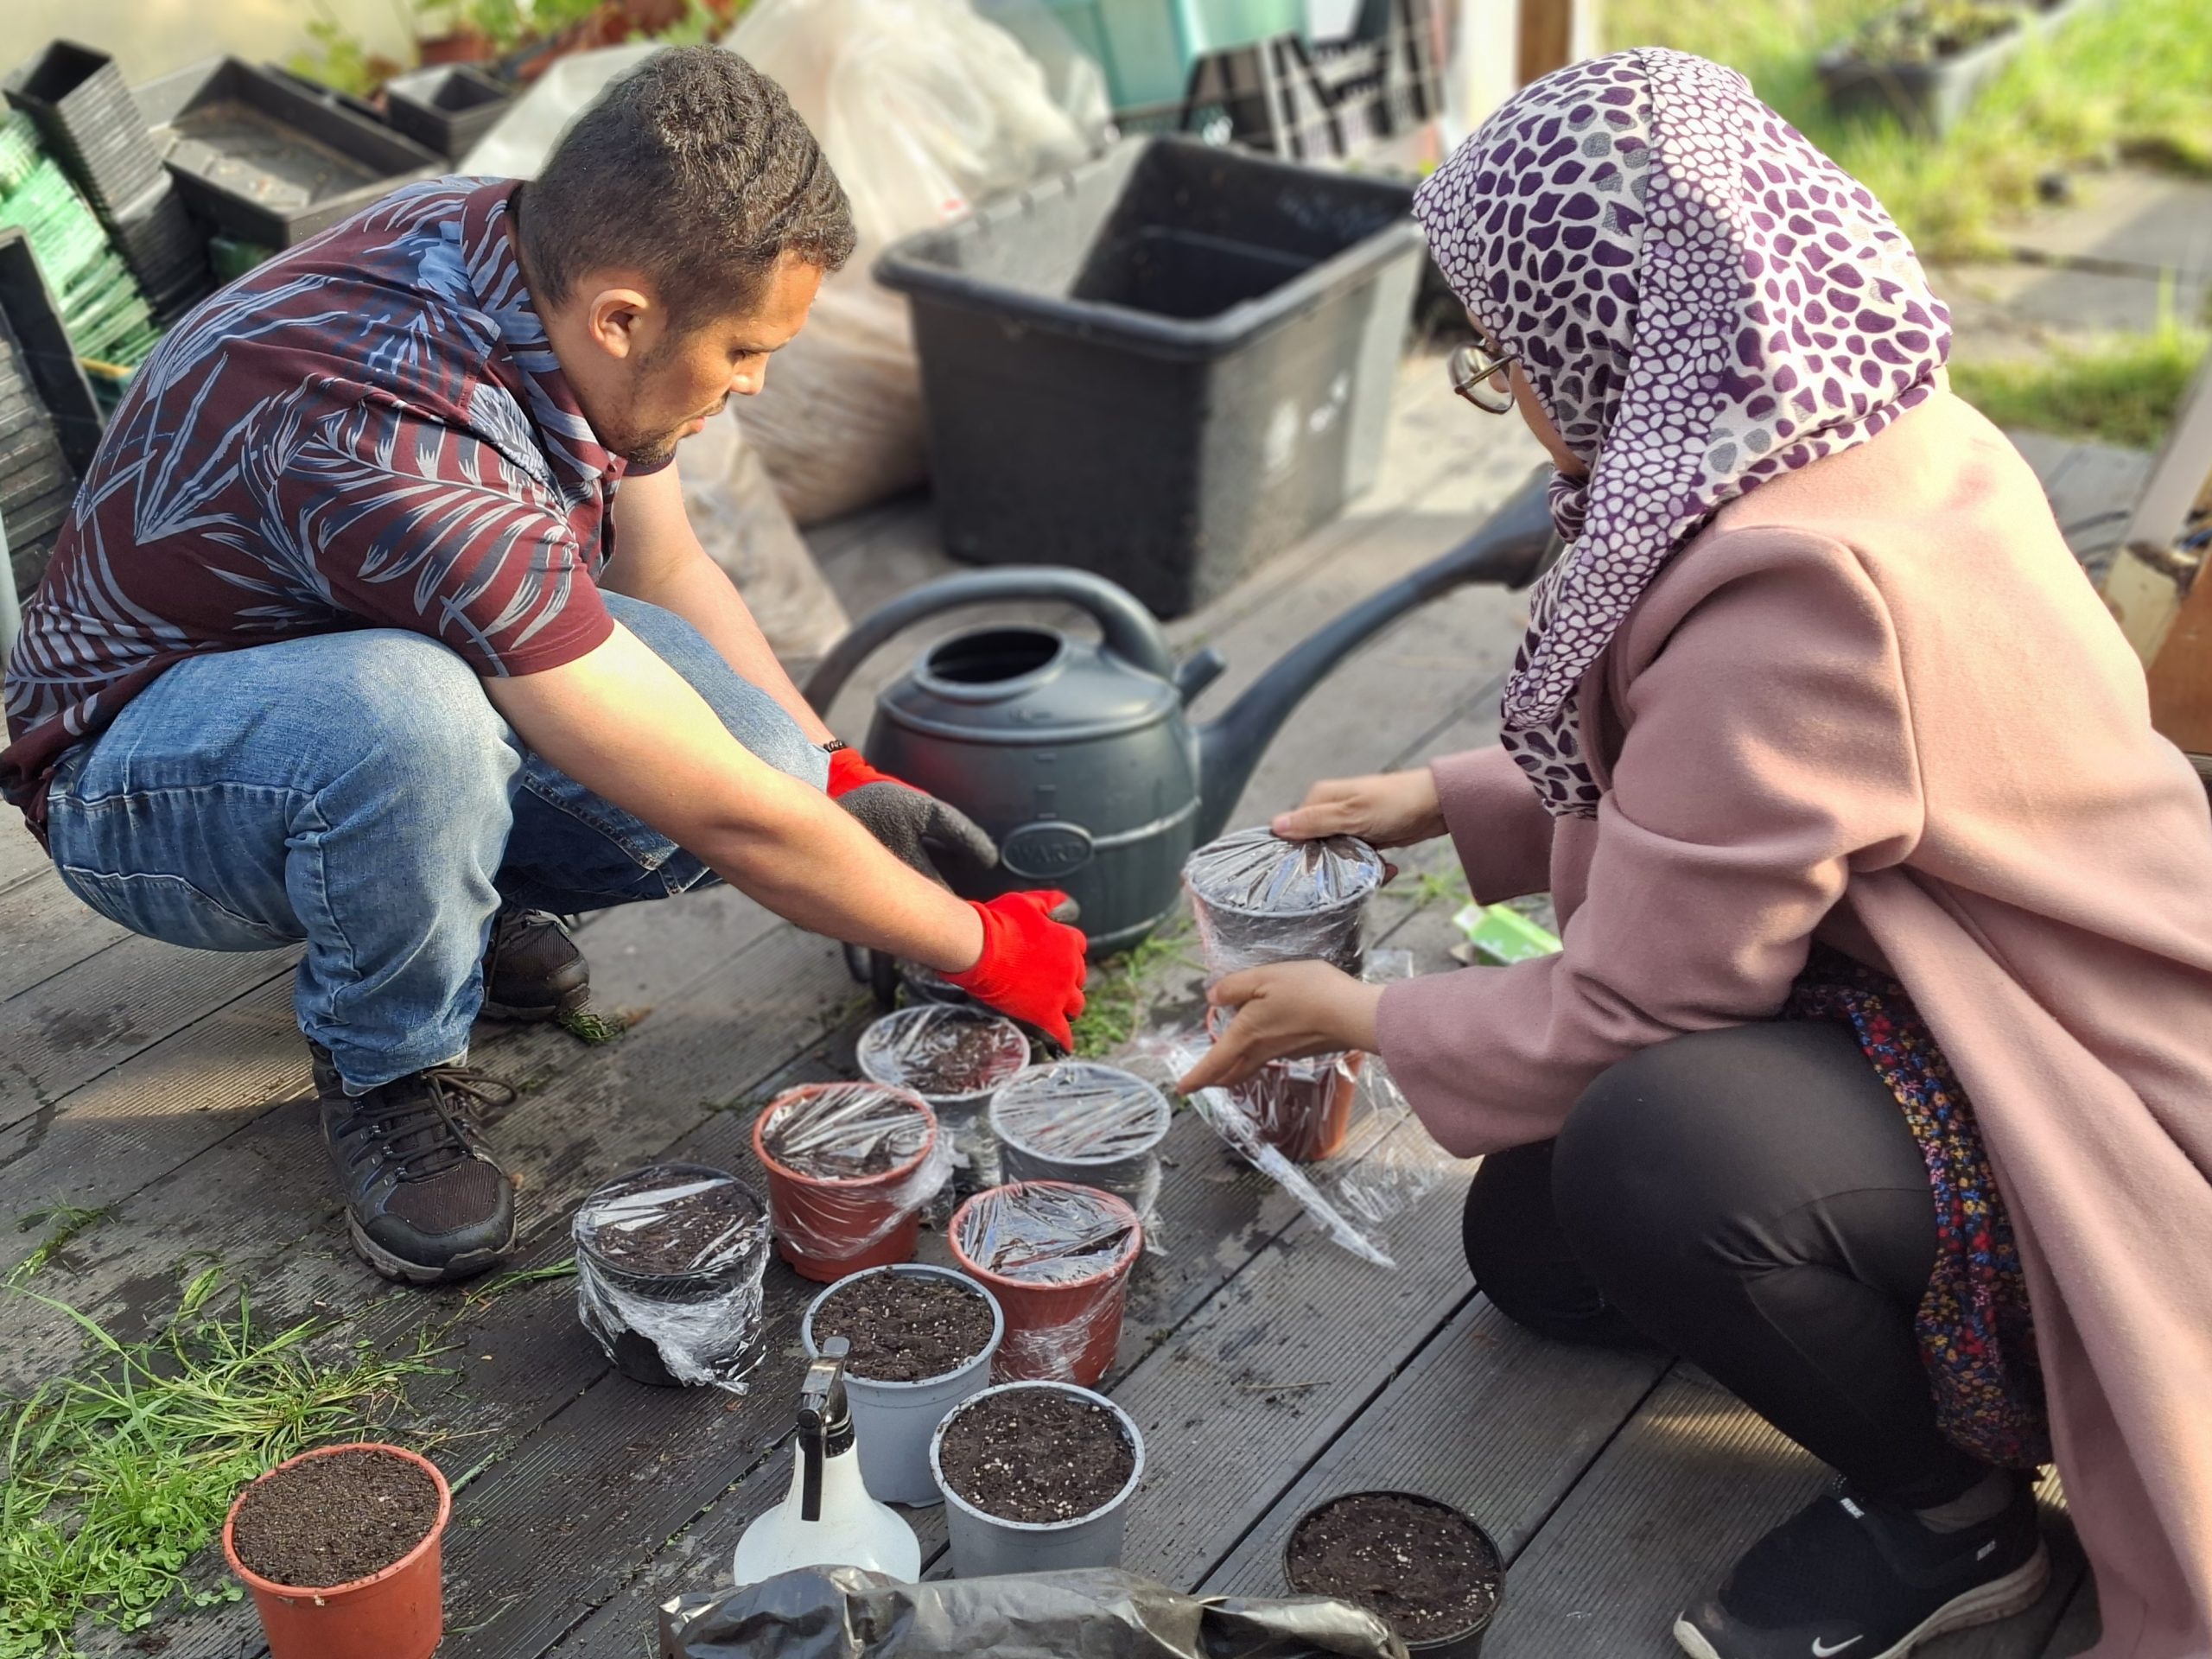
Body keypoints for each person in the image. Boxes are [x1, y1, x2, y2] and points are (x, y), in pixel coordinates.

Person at [1180, 48, 2212, 1659]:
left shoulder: (1800, 587)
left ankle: (1951, 1516)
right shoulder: (1839, 421)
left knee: (1654, 1156)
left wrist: (1362, 1015)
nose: (1511, 394)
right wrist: (1450, 798)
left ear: (1617, 333)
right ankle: (1838, 1308)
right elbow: (1751, 795)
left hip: (2080, 1086)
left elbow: (1642, 1004)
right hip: (1933, 989)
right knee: (1537, 1245)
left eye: (1504, 357)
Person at [0, 48, 1085, 1288]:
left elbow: (666, 568)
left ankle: (440, 897)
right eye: (744, 350)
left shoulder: (534, 252)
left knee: (764, 755)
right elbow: (728, 821)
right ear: (624, 317)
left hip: (335, 661)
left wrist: (836, 776)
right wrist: (979, 947)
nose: (755, 383)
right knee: (417, 724)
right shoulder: (400, 441)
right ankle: (385, 1066)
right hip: (134, 778)